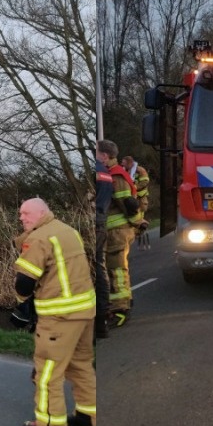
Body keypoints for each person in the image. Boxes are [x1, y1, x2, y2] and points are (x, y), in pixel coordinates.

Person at [13, 197, 96, 426]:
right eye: (21, 214)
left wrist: (21, 305)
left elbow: (24, 283)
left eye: (26, 213)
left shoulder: (38, 238)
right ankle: (88, 417)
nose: (22, 218)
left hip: (59, 317)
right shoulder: (68, 230)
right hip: (84, 311)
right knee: (81, 366)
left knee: (48, 374)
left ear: (41, 213)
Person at [105, 152, 144, 328]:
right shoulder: (114, 173)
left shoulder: (116, 175)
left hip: (117, 231)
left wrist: (138, 222)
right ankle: (124, 303)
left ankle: (121, 309)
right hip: (115, 230)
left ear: (105, 155)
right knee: (116, 270)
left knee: (117, 271)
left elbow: (126, 203)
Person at [91, 141, 116, 340]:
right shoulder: (107, 174)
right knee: (100, 269)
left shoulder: (96, 170)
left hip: (94, 223)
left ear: (104, 155)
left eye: (96, 151)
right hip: (103, 223)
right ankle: (103, 321)